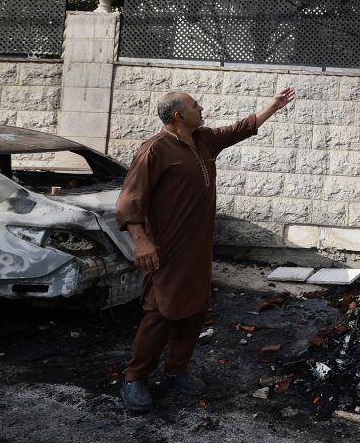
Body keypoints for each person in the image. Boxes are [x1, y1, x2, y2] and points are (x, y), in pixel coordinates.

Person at [116, 87, 295, 412]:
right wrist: (141, 240)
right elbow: (129, 200)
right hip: (166, 249)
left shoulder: (203, 141)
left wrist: (273, 106)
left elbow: (240, 129)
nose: (202, 108)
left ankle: (176, 370)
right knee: (160, 313)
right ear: (178, 116)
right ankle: (134, 377)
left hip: (197, 248)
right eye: (195, 105)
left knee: (195, 309)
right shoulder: (154, 151)